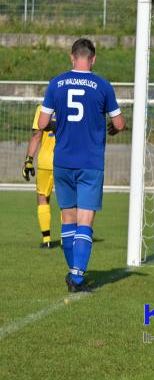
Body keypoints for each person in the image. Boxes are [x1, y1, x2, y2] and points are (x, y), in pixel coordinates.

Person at [38, 38, 125, 293]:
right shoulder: (102, 85)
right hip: (90, 162)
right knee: (85, 221)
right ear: (93, 59)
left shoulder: (56, 83)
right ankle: (76, 278)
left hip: (63, 161)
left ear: (71, 57)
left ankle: (74, 270)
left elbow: (43, 122)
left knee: (68, 219)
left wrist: (59, 124)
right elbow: (118, 124)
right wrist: (116, 128)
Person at [22, 105, 58, 248]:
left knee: (42, 198)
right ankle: (66, 240)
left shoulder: (42, 108)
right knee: (67, 202)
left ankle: (46, 240)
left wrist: (28, 161)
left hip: (45, 161)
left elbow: (37, 136)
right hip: (65, 161)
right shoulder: (68, 106)